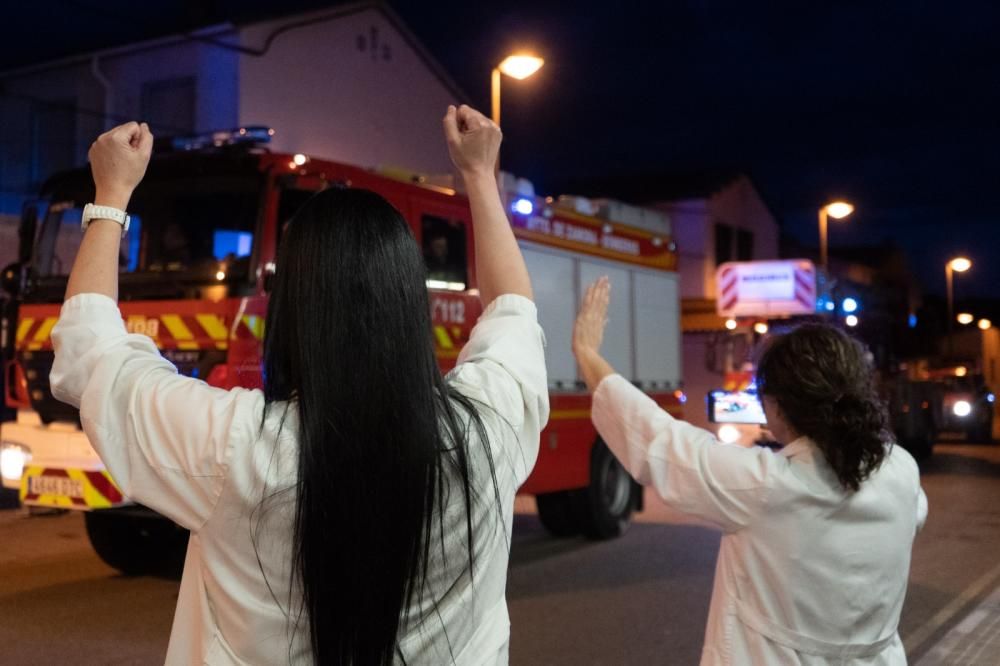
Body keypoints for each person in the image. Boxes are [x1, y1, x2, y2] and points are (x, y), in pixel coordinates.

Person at [49, 106, 548, 665]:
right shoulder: (487, 433)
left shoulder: (234, 444)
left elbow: (90, 353)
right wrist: (480, 175)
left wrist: (111, 194)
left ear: (291, 309)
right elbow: (513, 312)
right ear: (411, 305)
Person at [573, 277, 927, 665]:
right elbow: (906, 508)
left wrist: (587, 352)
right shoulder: (901, 471)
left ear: (775, 405)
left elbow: (657, 439)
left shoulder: (764, 486)